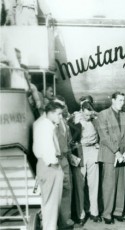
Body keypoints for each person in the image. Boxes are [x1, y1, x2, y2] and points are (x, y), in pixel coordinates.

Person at [97, 92, 125, 224]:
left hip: (123, 155)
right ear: (113, 100)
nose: (121, 103)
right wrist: (116, 152)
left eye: (123, 101)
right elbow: (104, 136)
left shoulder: (124, 116)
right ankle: (107, 214)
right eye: (119, 100)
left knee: (121, 185)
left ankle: (118, 211)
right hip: (110, 155)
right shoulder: (103, 114)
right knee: (109, 185)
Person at [32, 101, 65, 230]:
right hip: (50, 166)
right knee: (51, 204)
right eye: (59, 114)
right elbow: (48, 150)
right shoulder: (46, 126)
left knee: (48, 204)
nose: (60, 117)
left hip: (44, 165)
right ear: (50, 113)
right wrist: (56, 164)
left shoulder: (40, 123)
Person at [74, 101, 102, 223]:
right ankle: (81, 214)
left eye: (89, 115)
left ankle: (94, 212)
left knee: (93, 183)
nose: (87, 117)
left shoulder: (95, 120)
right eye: (85, 115)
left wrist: (98, 144)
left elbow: (103, 133)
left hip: (93, 151)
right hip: (80, 151)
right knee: (80, 185)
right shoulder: (75, 120)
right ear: (81, 111)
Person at [53, 96, 75, 229]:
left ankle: (66, 221)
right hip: (54, 161)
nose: (62, 108)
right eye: (59, 105)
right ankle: (55, 223)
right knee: (56, 193)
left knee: (67, 190)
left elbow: (67, 139)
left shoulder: (63, 121)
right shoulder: (48, 122)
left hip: (64, 158)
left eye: (63, 105)